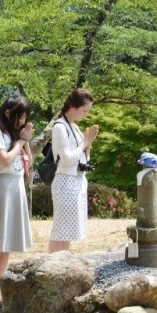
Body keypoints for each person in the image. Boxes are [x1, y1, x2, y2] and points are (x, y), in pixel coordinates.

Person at [0, 95, 35, 299]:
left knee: (7, 244)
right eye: (19, 117)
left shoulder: (14, 135)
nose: (22, 121)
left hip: (16, 186)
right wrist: (20, 141)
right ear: (7, 112)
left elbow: (29, 161)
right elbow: (4, 160)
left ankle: (0, 286)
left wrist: (25, 140)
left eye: (25, 117)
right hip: (3, 187)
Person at [48, 88, 99, 253]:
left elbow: (83, 158)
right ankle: (52, 267)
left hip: (77, 181)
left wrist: (87, 146)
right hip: (65, 181)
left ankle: (63, 266)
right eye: (84, 110)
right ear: (73, 106)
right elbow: (67, 159)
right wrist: (84, 143)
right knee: (60, 229)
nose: (86, 114)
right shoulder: (60, 127)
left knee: (68, 230)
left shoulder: (75, 128)